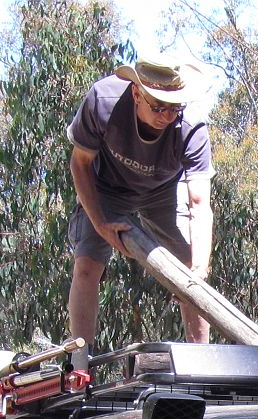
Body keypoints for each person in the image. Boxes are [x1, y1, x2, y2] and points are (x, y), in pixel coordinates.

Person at [66, 53, 216, 365]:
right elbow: (79, 165)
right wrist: (101, 224)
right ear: (137, 93)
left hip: (163, 193)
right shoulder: (103, 102)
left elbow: (200, 203)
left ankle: (203, 360)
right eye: (158, 106)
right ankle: (80, 363)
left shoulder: (190, 126)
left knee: (190, 267)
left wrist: (199, 270)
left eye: (173, 107)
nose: (166, 115)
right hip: (106, 188)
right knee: (87, 264)